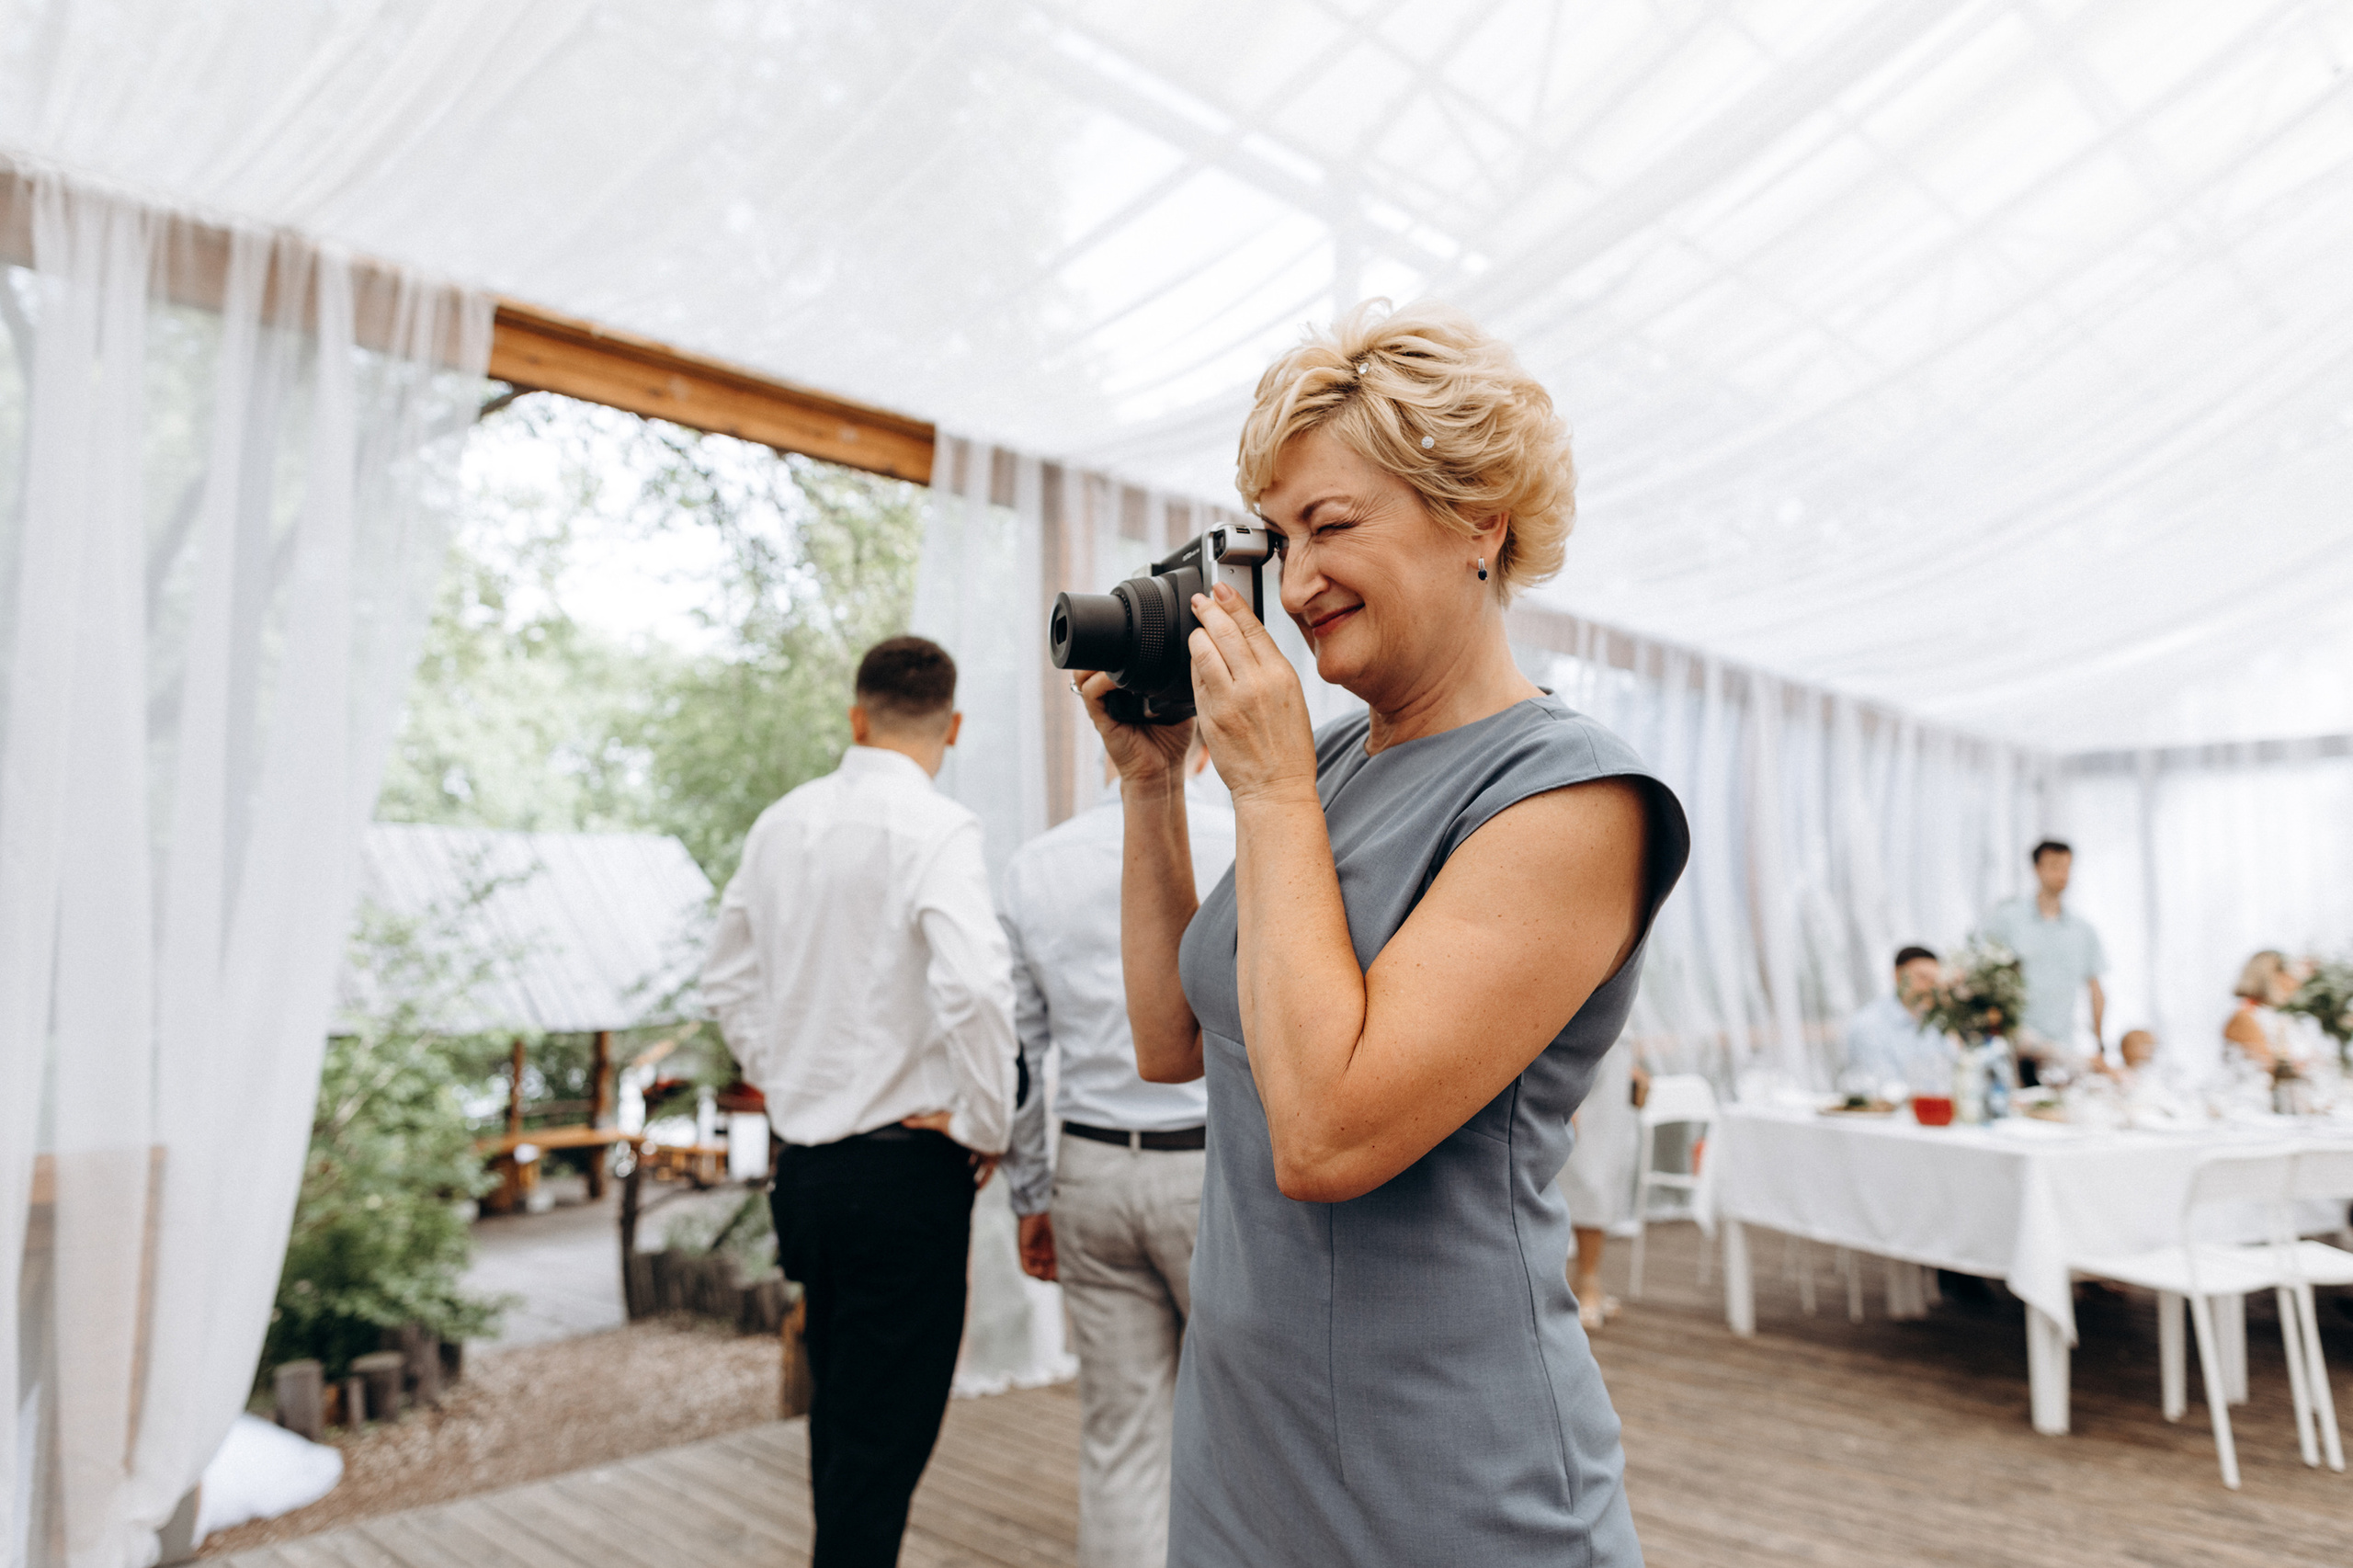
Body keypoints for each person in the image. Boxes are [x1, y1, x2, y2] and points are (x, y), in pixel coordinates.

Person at [1076, 301, 1689, 1567]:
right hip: (1247, 1445)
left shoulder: (1570, 797)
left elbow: (1328, 1132)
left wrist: (1270, 787)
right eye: (1280, 537)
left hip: (1448, 1472)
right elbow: (1172, 1040)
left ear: (1479, 519)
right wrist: (1152, 783)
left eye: (1333, 525)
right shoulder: (1332, 761)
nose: (1296, 583)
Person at [701, 634, 1018, 1568]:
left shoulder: (779, 824)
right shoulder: (937, 828)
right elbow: (976, 988)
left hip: (805, 1176)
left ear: (856, 716)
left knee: (841, 1421)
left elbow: (725, 981)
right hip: (902, 1177)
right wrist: (985, 1121)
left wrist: (789, 1072)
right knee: (882, 1444)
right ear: (952, 727)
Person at [1000, 742, 1234, 1568]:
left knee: (1119, 1436)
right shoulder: (1243, 840)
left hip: (1090, 1172)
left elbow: (1019, 1057)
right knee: (1244, 1425)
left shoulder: (1034, 866)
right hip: (1215, 1176)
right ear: (1203, 736)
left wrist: (1031, 1194)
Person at [1980, 840, 2107, 1074]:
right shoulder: (2007, 919)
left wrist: (2100, 1045)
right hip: (2015, 1050)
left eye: (2067, 867)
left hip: (2064, 1050)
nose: (2063, 874)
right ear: (2037, 869)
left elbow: (2095, 991)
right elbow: (1985, 979)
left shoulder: (2083, 930)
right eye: (2055, 866)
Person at [1556, 1038, 1650, 1331]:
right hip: (1576, 1059)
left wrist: (1635, 1063)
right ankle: (1576, 1284)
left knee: (1603, 1175)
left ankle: (1587, 1279)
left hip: (1614, 1059)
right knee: (1582, 1176)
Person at [1839, 945, 1954, 1095]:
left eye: (1935, 980)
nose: (1931, 987)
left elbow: (1952, 1077)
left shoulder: (1938, 1023)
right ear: (1898, 975)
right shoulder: (1868, 1025)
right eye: (1923, 978)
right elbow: (1883, 1091)